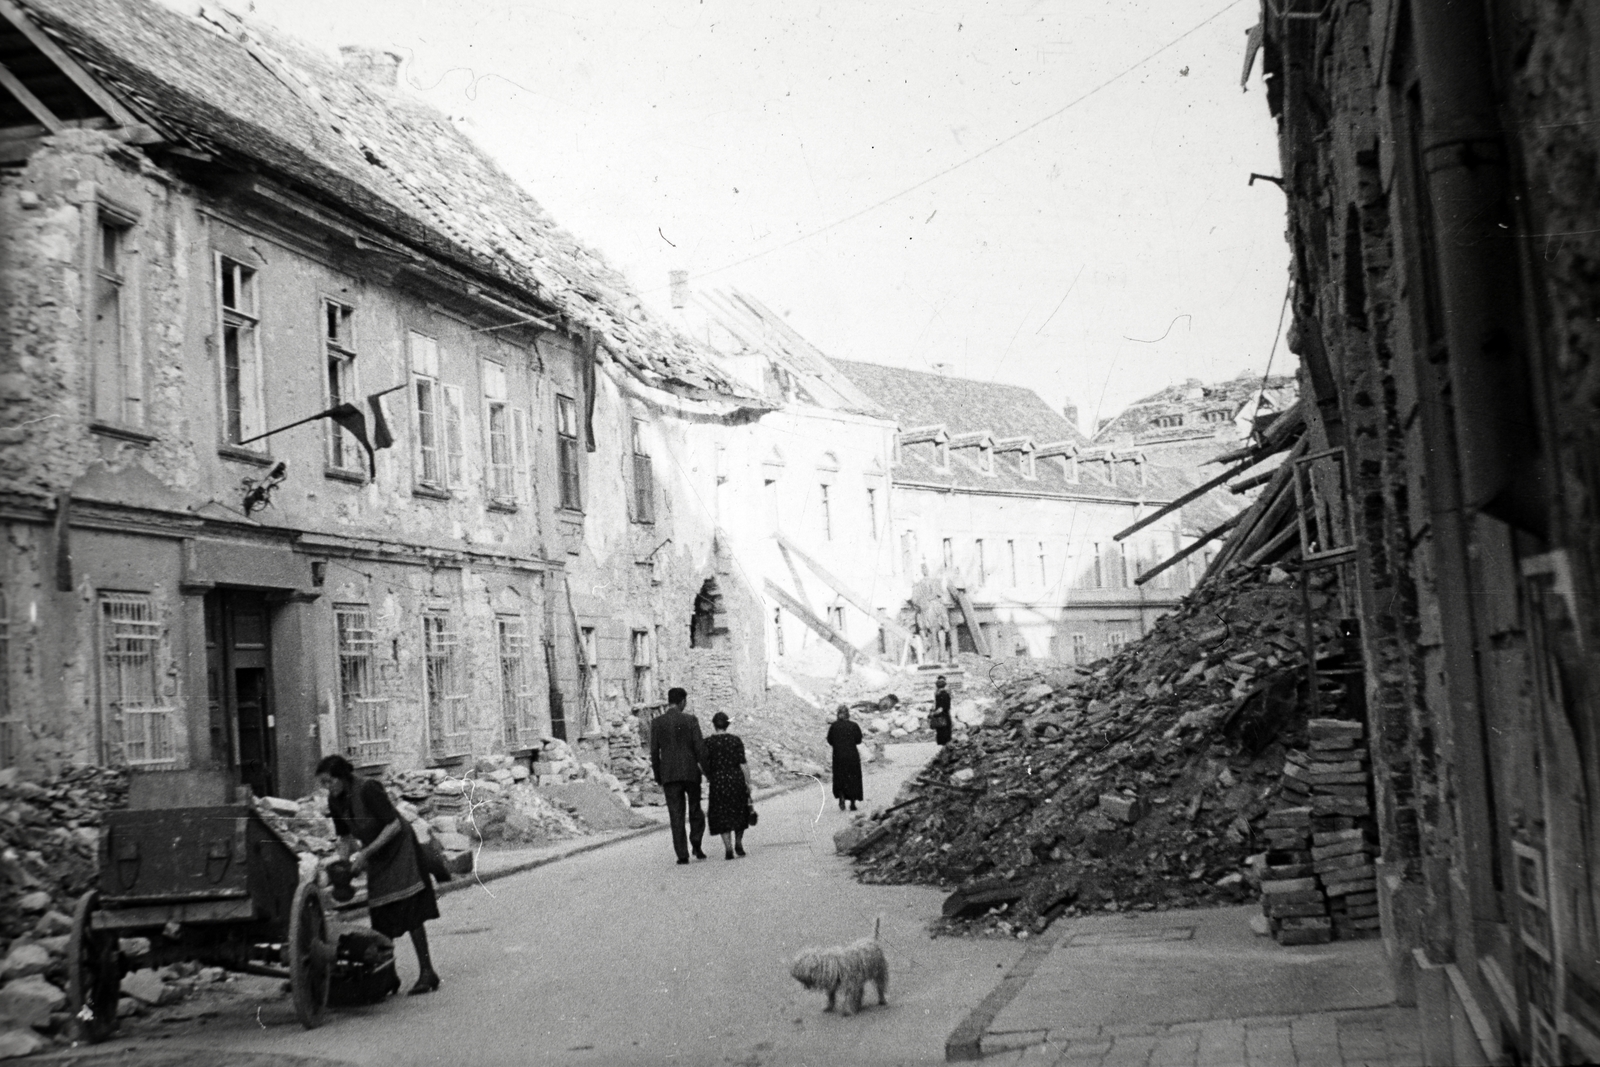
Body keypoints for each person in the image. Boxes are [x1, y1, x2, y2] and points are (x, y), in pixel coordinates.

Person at [315, 754, 441, 996]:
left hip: (399, 848)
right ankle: (388, 975)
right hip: (377, 854)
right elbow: (345, 838)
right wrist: (344, 867)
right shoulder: (335, 801)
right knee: (380, 914)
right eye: (323, 783)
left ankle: (427, 971)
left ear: (343, 777)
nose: (327, 788)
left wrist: (365, 853)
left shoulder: (368, 789)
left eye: (329, 781)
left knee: (410, 909)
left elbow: (393, 824)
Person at [650, 686, 708, 864]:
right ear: (682, 701)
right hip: (691, 773)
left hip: (669, 774)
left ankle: (682, 855)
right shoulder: (691, 720)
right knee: (695, 809)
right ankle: (696, 844)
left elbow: (654, 752)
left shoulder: (657, 723)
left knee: (676, 814)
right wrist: (706, 770)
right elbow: (700, 748)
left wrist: (658, 775)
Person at [703, 712, 752, 860]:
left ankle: (728, 848)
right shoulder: (735, 740)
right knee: (739, 812)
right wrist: (748, 782)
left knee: (722, 814)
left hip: (718, 781)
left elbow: (701, 763)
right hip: (735, 779)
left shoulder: (708, 742)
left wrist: (708, 775)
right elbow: (743, 763)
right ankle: (738, 842)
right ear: (727, 724)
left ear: (714, 724)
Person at [826, 704, 864, 812]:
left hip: (838, 756)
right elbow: (858, 740)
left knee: (840, 778)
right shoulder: (854, 725)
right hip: (852, 755)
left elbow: (830, 740)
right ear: (848, 714)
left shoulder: (834, 726)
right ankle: (852, 803)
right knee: (853, 778)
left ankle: (841, 796)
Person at [930, 675, 953, 746]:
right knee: (945, 733)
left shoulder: (940, 694)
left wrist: (933, 714)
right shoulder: (945, 694)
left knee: (942, 733)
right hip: (944, 716)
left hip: (941, 717)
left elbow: (940, 707)